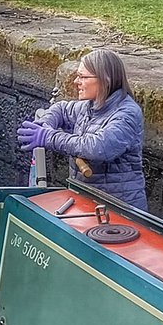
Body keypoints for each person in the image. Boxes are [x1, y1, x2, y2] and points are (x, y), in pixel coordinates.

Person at [17, 48, 147, 210]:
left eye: (83, 77)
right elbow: (61, 109)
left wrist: (48, 137)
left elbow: (99, 147)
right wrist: (45, 123)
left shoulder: (127, 113)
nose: (76, 81)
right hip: (87, 203)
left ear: (105, 80)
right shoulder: (90, 105)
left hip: (120, 209)